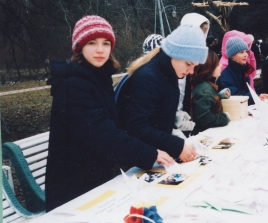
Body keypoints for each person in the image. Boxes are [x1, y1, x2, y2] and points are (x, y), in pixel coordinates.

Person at [45, 15, 174, 212]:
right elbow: (101, 135)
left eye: (106, 43)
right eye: (92, 42)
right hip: (73, 190)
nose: (100, 49)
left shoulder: (98, 78)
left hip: (97, 179)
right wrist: (149, 153)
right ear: (79, 47)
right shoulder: (73, 85)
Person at [116, 24, 208, 163]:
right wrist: (175, 146)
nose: (191, 72)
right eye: (189, 64)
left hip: (156, 154)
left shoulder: (169, 73)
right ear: (175, 54)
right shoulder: (149, 77)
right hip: (138, 159)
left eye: (195, 66)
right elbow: (136, 126)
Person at [218, 36, 268, 105]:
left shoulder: (243, 70)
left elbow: (245, 91)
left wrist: (258, 95)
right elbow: (235, 94)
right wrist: (256, 97)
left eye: (246, 52)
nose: (246, 55)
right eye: (241, 52)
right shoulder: (226, 75)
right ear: (232, 56)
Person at [191, 50, 231, 135]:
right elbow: (204, 118)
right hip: (205, 135)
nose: (220, 65)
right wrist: (224, 118)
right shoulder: (205, 90)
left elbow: (209, 102)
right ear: (208, 68)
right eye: (217, 64)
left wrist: (220, 95)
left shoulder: (207, 86)